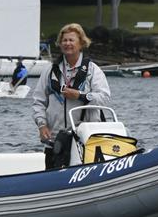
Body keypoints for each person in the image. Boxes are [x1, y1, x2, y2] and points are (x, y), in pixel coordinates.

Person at [32, 23, 110, 169]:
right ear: (60, 44)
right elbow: (38, 101)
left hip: (85, 140)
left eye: (71, 40)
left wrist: (81, 95)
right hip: (55, 140)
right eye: (64, 40)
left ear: (81, 43)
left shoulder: (93, 70)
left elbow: (104, 98)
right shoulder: (49, 71)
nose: (67, 43)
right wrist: (42, 125)